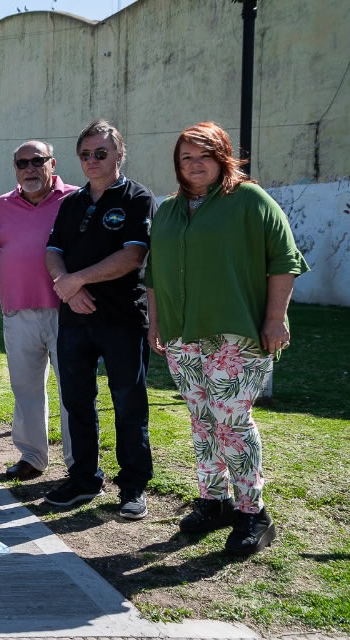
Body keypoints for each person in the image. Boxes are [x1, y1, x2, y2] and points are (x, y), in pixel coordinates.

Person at [147, 122, 308, 555]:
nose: (194, 164)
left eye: (204, 155)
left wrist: (277, 319)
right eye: (186, 157)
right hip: (184, 335)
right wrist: (156, 321)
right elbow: (154, 274)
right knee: (202, 422)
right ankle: (214, 501)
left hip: (235, 333)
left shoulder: (249, 200)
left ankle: (253, 512)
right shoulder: (169, 209)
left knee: (233, 422)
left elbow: (284, 259)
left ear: (223, 157)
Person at [43, 119, 155, 520]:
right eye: (86, 154)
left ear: (119, 155)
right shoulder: (71, 202)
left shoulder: (137, 198)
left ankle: (133, 486)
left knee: (128, 402)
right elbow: (52, 250)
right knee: (76, 400)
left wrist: (78, 280)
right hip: (75, 317)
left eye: (101, 153)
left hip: (122, 318)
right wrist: (66, 286)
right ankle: (84, 478)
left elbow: (133, 255)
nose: (92, 160)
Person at [0, 140, 77, 481]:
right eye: (21, 163)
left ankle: (79, 463)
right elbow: (0, 251)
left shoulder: (74, 199)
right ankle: (32, 457)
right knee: (25, 388)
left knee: (73, 390)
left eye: (36, 161)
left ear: (51, 164)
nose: (29, 169)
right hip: (18, 312)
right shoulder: (1, 205)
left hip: (67, 311)